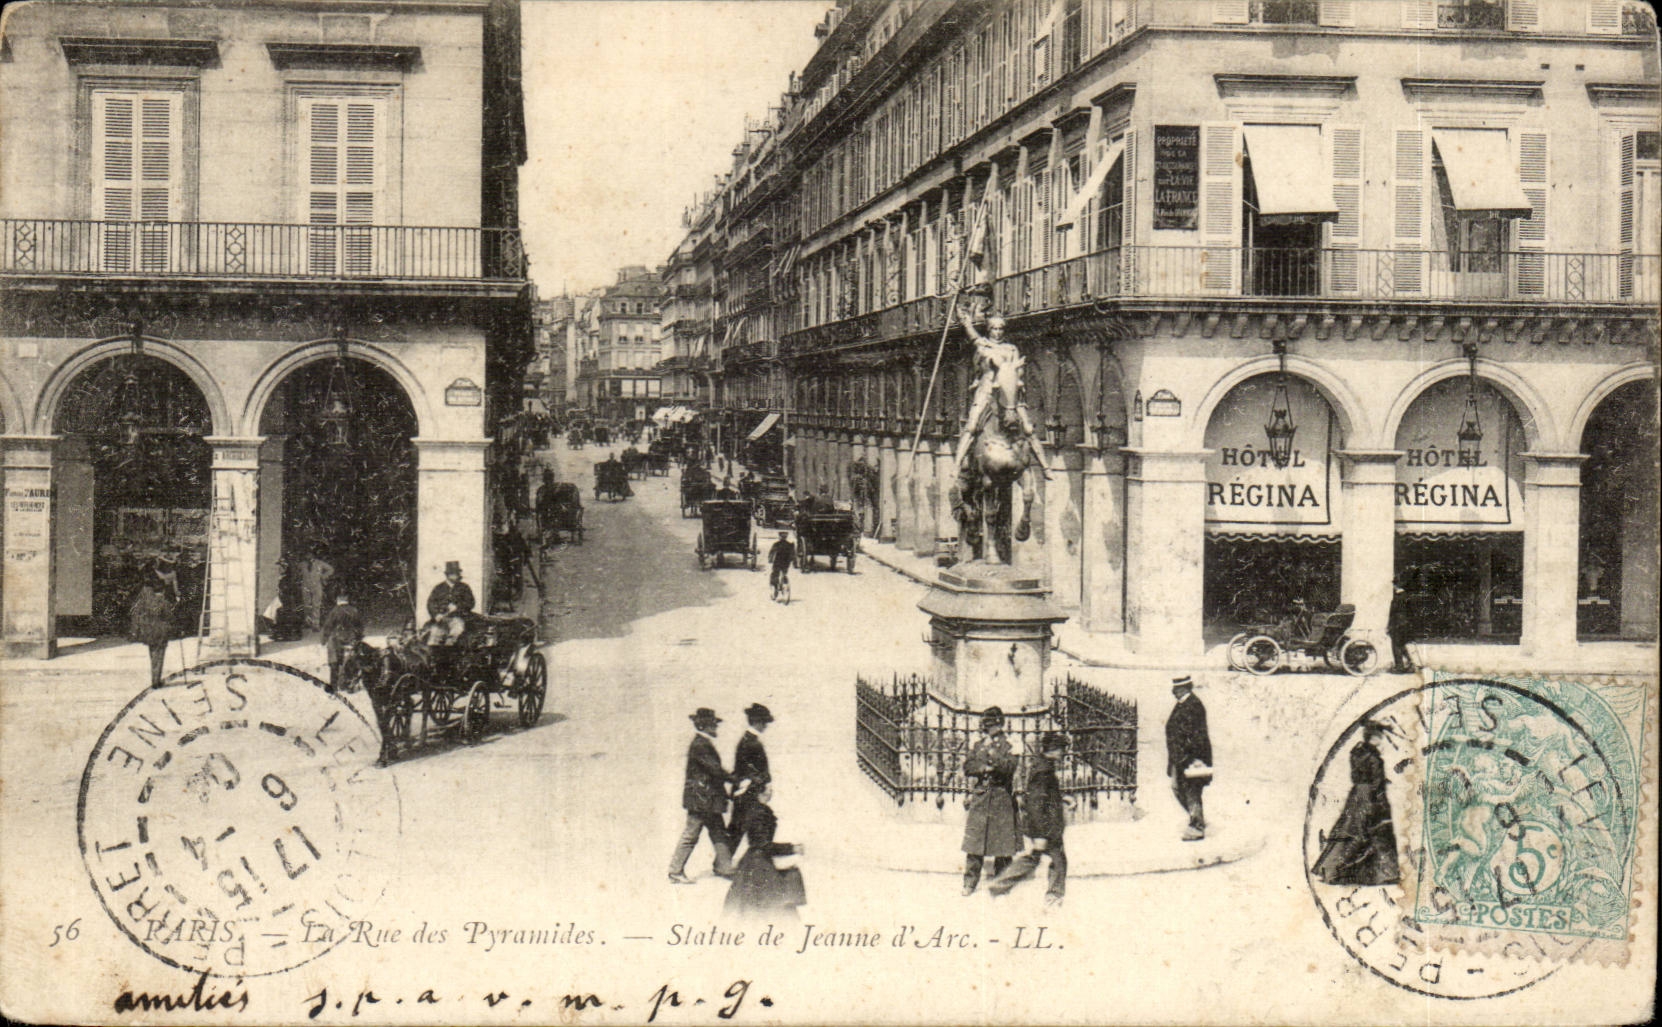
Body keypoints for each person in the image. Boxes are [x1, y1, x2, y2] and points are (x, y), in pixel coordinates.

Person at [1311, 721, 1401, 886]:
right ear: (1373, 737)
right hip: (1371, 797)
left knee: (1349, 829)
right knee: (1376, 830)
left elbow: (1356, 776)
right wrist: (1381, 802)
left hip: (1357, 795)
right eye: (1379, 737)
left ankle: (1329, 869)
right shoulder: (1374, 756)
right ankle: (1384, 873)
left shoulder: (1356, 753)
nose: (1380, 741)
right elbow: (1376, 782)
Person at [954, 313, 1043, 474]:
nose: (998, 332)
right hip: (987, 390)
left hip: (1010, 392)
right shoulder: (984, 347)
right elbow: (975, 338)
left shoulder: (1011, 349)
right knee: (972, 425)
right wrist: (967, 323)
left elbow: (1019, 373)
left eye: (1001, 328)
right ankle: (958, 464)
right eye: (994, 328)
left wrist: (1015, 370)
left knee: (1028, 428)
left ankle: (1045, 466)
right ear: (989, 330)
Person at [989, 731, 1068, 908]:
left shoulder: (1044, 766)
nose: (1064, 753)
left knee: (1049, 859)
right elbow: (1036, 803)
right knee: (1047, 859)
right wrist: (1040, 834)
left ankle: (999, 886)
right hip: (1045, 828)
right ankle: (1052, 897)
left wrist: (1063, 798)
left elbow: (1046, 796)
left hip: (1047, 827)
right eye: (1061, 748)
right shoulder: (1043, 771)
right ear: (1053, 749)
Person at [669, 707, 736, 884]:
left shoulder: (702, 743)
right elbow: (714, 769)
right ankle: (675, 871)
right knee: (691, 834)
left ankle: (724, 867)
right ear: (704, 726)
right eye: (713, 725)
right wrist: (734, 779)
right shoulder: (701, 745)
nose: (716, 728)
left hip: (707, 800)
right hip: (702, 801)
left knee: (719, 833)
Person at [722, 785, 806, 921]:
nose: (771, 791)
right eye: (768, 789)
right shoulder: (759, 812)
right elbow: (761, 844)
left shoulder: (755, 810)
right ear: (760, 793)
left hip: (754, 862)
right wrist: (791, 849)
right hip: (759, 865)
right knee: (771, 908)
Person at [961, 706, 1020, 895]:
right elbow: (968, 766)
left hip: (1002, 796)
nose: (989, 729)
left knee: (1003, 844)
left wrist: (993, 756)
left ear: (1000, 725)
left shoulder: (1010, 743)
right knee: (975, 843)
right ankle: (969, 883)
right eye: (986, 725)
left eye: (993, 725)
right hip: (981, 795)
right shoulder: (978, 744)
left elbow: (1010, 767)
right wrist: (983, 768)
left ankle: (1002, 881)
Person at [1165, 676, 1213, 841]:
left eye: (1176, 689)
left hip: (1191, 758)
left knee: (1192, 791)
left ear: (1184, 688)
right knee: (1177, 788)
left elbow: (1198, 735)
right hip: (1179, 757)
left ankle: (1197, 826)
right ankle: (1196, 817)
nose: (1173, 692)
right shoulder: (1183, 704)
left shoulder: (1194, 705)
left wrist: (1196, 759)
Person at [728, 703, 773, 838]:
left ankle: (723, 859)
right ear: (757, 722)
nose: (765, 725)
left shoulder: (748, 740)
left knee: (737, 833)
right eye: (764, 722)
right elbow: (748, 770)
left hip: (746, 792)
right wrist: (764, 785)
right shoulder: (751, 742)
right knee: (738, 833)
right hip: (748, 793)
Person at [128, 570, 175, 688]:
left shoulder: (144, 600)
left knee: (153, 654)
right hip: (161, 631)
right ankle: (156, 681)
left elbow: (137, 613)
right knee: (159, 656)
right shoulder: (163, 602)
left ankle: (154, 679)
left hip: (149, 630)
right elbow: (170, 617)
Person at [319, 591, 365, 694]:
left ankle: (334, 686)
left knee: (334, 663)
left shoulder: (334, 611)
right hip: (351, 640)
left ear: (338, 600)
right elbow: (360, 626)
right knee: (351, 661)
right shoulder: (354, 610)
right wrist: (358, 638)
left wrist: (323, 640)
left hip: (337, 641)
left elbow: (328, 626)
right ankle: (350, 684)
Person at [424, 561, 475, 646]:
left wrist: (458, 607)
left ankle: (448, 651)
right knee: (434, 636)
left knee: (455, 632)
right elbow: (430, 603)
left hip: (458, 618)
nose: (456, 576)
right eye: (453, 574)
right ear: (447, 575)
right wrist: (436, 615)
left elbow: (471, 602)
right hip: (441, 620)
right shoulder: (438, 588)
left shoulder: (464, 587)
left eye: (457, 574)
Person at [1387, 575, 1418, 674]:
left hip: (1398, 624)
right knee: (1401, 644)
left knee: (1395, 645)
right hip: (1405, 624)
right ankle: (1410, 663)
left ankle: (1399, 667)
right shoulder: (1407, 596)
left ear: (1395, 585)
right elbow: (1411, 612)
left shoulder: (1397, 598)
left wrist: (1389, 626)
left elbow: (1393, 613)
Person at [300, 552, 335, 633]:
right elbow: (296, 571)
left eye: (310, 554)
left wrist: (323, 576)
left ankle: (316, 625)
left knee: (316, 605)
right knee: (306, 605)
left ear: (313, 555)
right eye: (307, 554)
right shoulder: (302, 564)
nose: (308, 556)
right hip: (305, 586)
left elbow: (331, 569)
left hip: (316, 586)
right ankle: (308, 622)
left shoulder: (320, 563)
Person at [767, 532, 795, 599]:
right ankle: (784, 581)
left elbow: (771, 553)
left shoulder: (776, 544)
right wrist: (792, 560)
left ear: (779, 537)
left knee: (774, 574)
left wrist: (770, 559)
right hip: (786, 563)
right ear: (786, 537)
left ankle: (775, 589)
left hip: (777, 562)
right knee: (784, 573)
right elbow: (793, 555)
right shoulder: (790, 545)